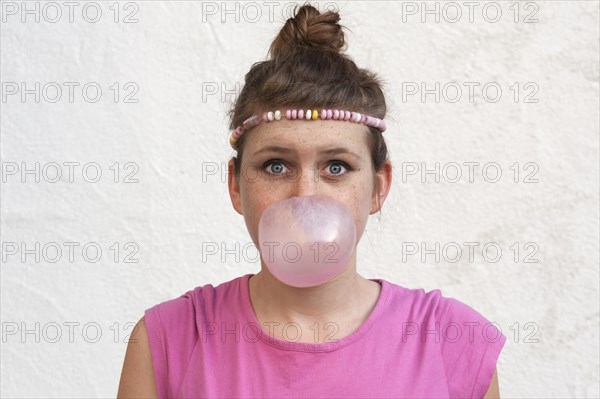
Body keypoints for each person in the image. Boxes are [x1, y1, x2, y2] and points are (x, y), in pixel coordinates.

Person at [117, 3, 506, 398]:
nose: (305, 194)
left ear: (378, 187)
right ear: (236, 186)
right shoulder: (166, 341)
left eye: (335, 167)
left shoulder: (454, 342)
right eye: (275, 166)